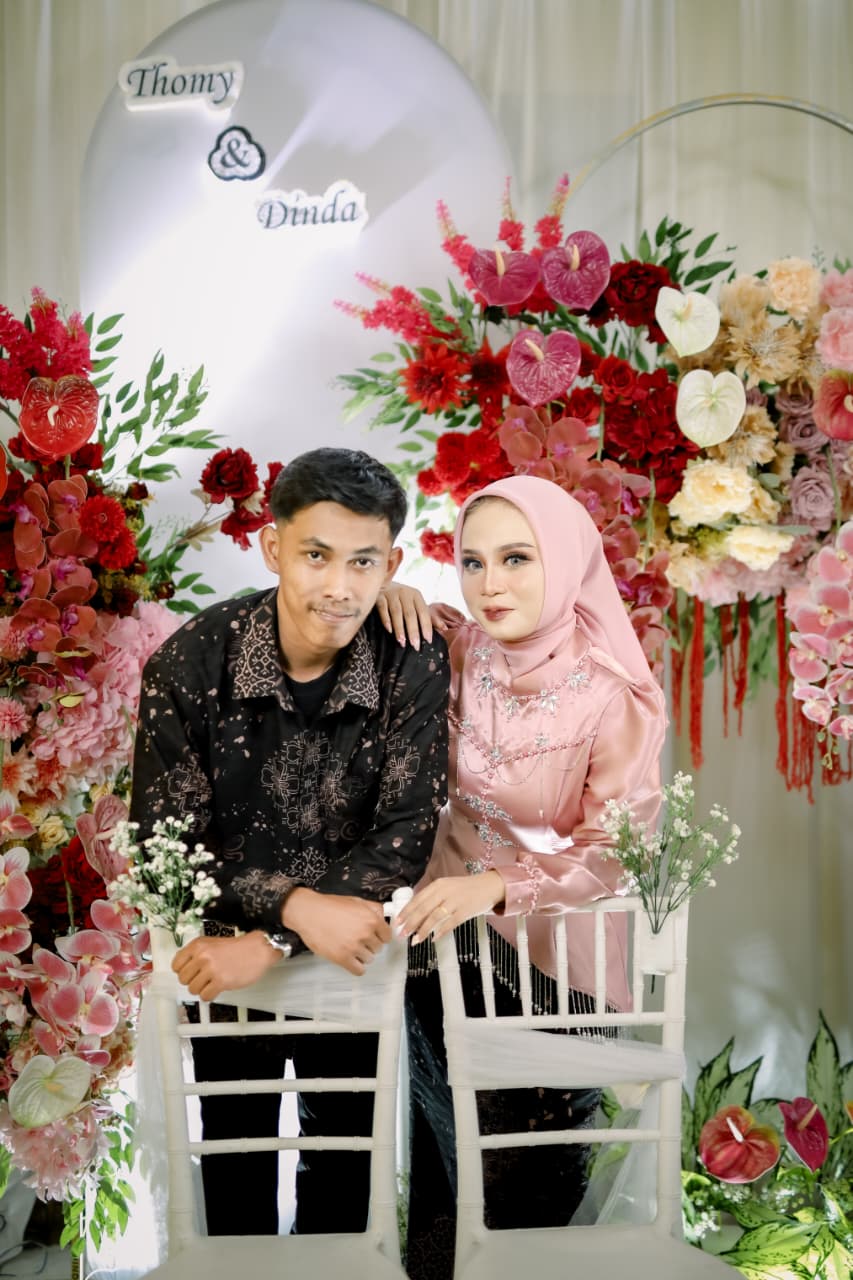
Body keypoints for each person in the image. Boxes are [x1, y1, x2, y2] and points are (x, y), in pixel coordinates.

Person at [129, 447, 449, 1237]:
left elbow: (404, 837)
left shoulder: (410, 658)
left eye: (363, 562)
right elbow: (165, 847)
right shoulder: (189, 664)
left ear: (391, 565)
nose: (339, 586)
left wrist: (274, 939)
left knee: (343, 1182)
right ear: (273, 548)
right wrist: (293, 910)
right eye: (315, 556)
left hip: (350, 965)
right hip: (225, 971)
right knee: (233, 1171)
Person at [377, 475, 666, 1279]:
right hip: (442, 953)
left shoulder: (613, 695)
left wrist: (497, 885)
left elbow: (615, 853)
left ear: (564, 560)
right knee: (447, 1180)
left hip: (553, 969)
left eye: (515, 558)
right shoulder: (456, 650)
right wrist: (387, 592)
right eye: (471, 562)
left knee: (523, 1194)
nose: (489, 584)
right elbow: (363, 625)